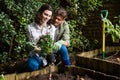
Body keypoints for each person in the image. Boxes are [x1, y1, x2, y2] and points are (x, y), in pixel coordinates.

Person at [26, 4, 55, 71]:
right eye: (45, 14)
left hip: (47, 55)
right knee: (32, 65)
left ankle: (45, 66)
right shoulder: (30, 27)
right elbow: (31, 44)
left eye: (49, 16)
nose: (47, 17)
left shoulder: (51, 28)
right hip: (35, 54)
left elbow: (50, 43)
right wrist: (34, 48)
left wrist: (49, 53)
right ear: (40, 13)